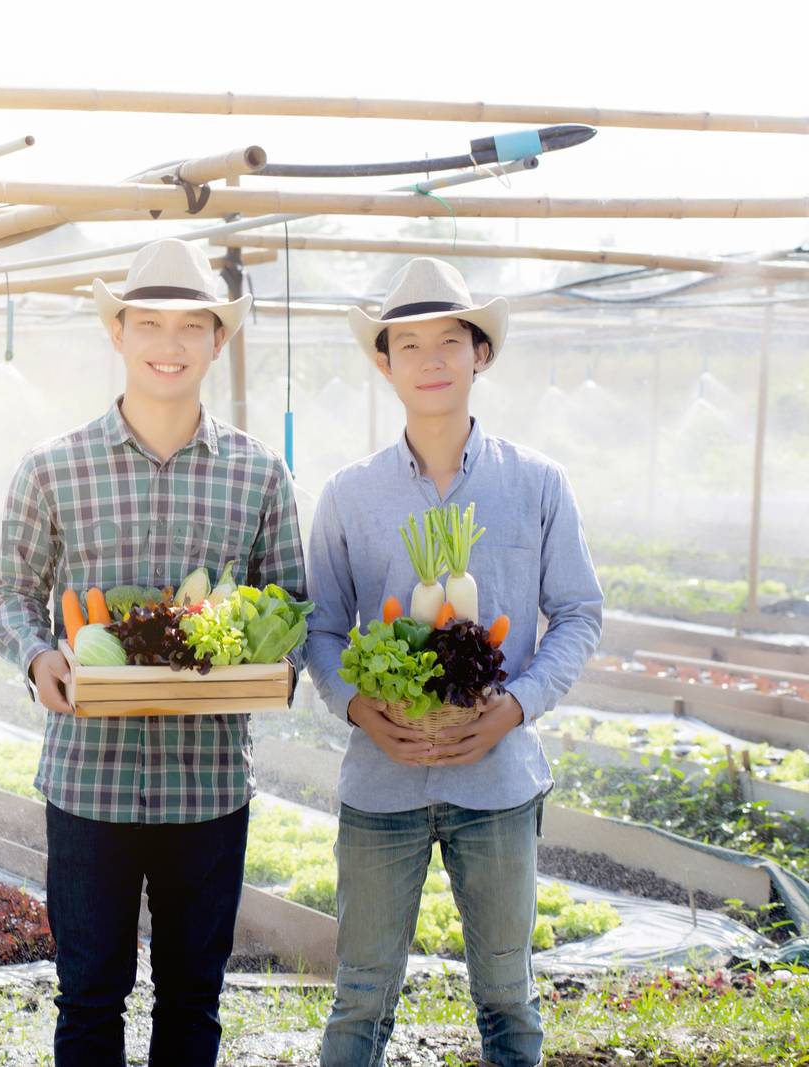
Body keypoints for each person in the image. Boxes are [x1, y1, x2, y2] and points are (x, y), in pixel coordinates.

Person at [0, 237, 306, 1066]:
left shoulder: (259, 474)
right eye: (150, 324)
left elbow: (294, 604)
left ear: (217, 341)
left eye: (190, 326)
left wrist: (269, 663)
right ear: (118, 334)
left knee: (193, 1000)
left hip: (207, 783)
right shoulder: (53, 468)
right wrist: (37, 658)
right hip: (89, 777)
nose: (169, 344)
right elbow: (10, 595)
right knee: (89, 996)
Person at [305, 256, 604, 1067]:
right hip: (382, 782)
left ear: (481, 353)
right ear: (384, 361)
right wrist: (359, 706)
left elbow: (580, 611)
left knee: (509, 996)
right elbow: (323, 630)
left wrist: (517, 704)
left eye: (451, 339)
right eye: (409, 344)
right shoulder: (348, 494)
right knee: (361, 997)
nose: (431, 359)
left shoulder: (537, 484)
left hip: (499, 781)